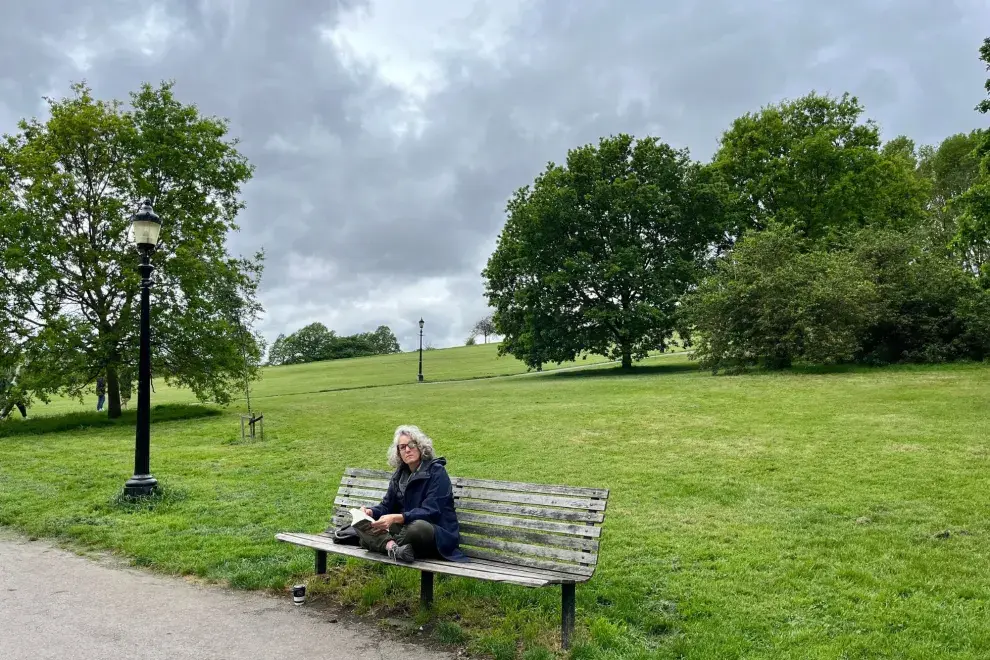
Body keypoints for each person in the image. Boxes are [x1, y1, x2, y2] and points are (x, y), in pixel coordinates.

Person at [350, 425, 467, 563]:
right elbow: (386, 506)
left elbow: (431, 511)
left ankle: (377, 543)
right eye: (402, 447)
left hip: (435, 534)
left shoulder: (437, 472)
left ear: (420, 446)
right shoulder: (399, 475)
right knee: (365, 524)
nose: (407, 449)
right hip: (405, 531)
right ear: (398, 453)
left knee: (418, 528)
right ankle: (394, 548)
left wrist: (397, 518)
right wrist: (370, 512)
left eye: (411, 444)